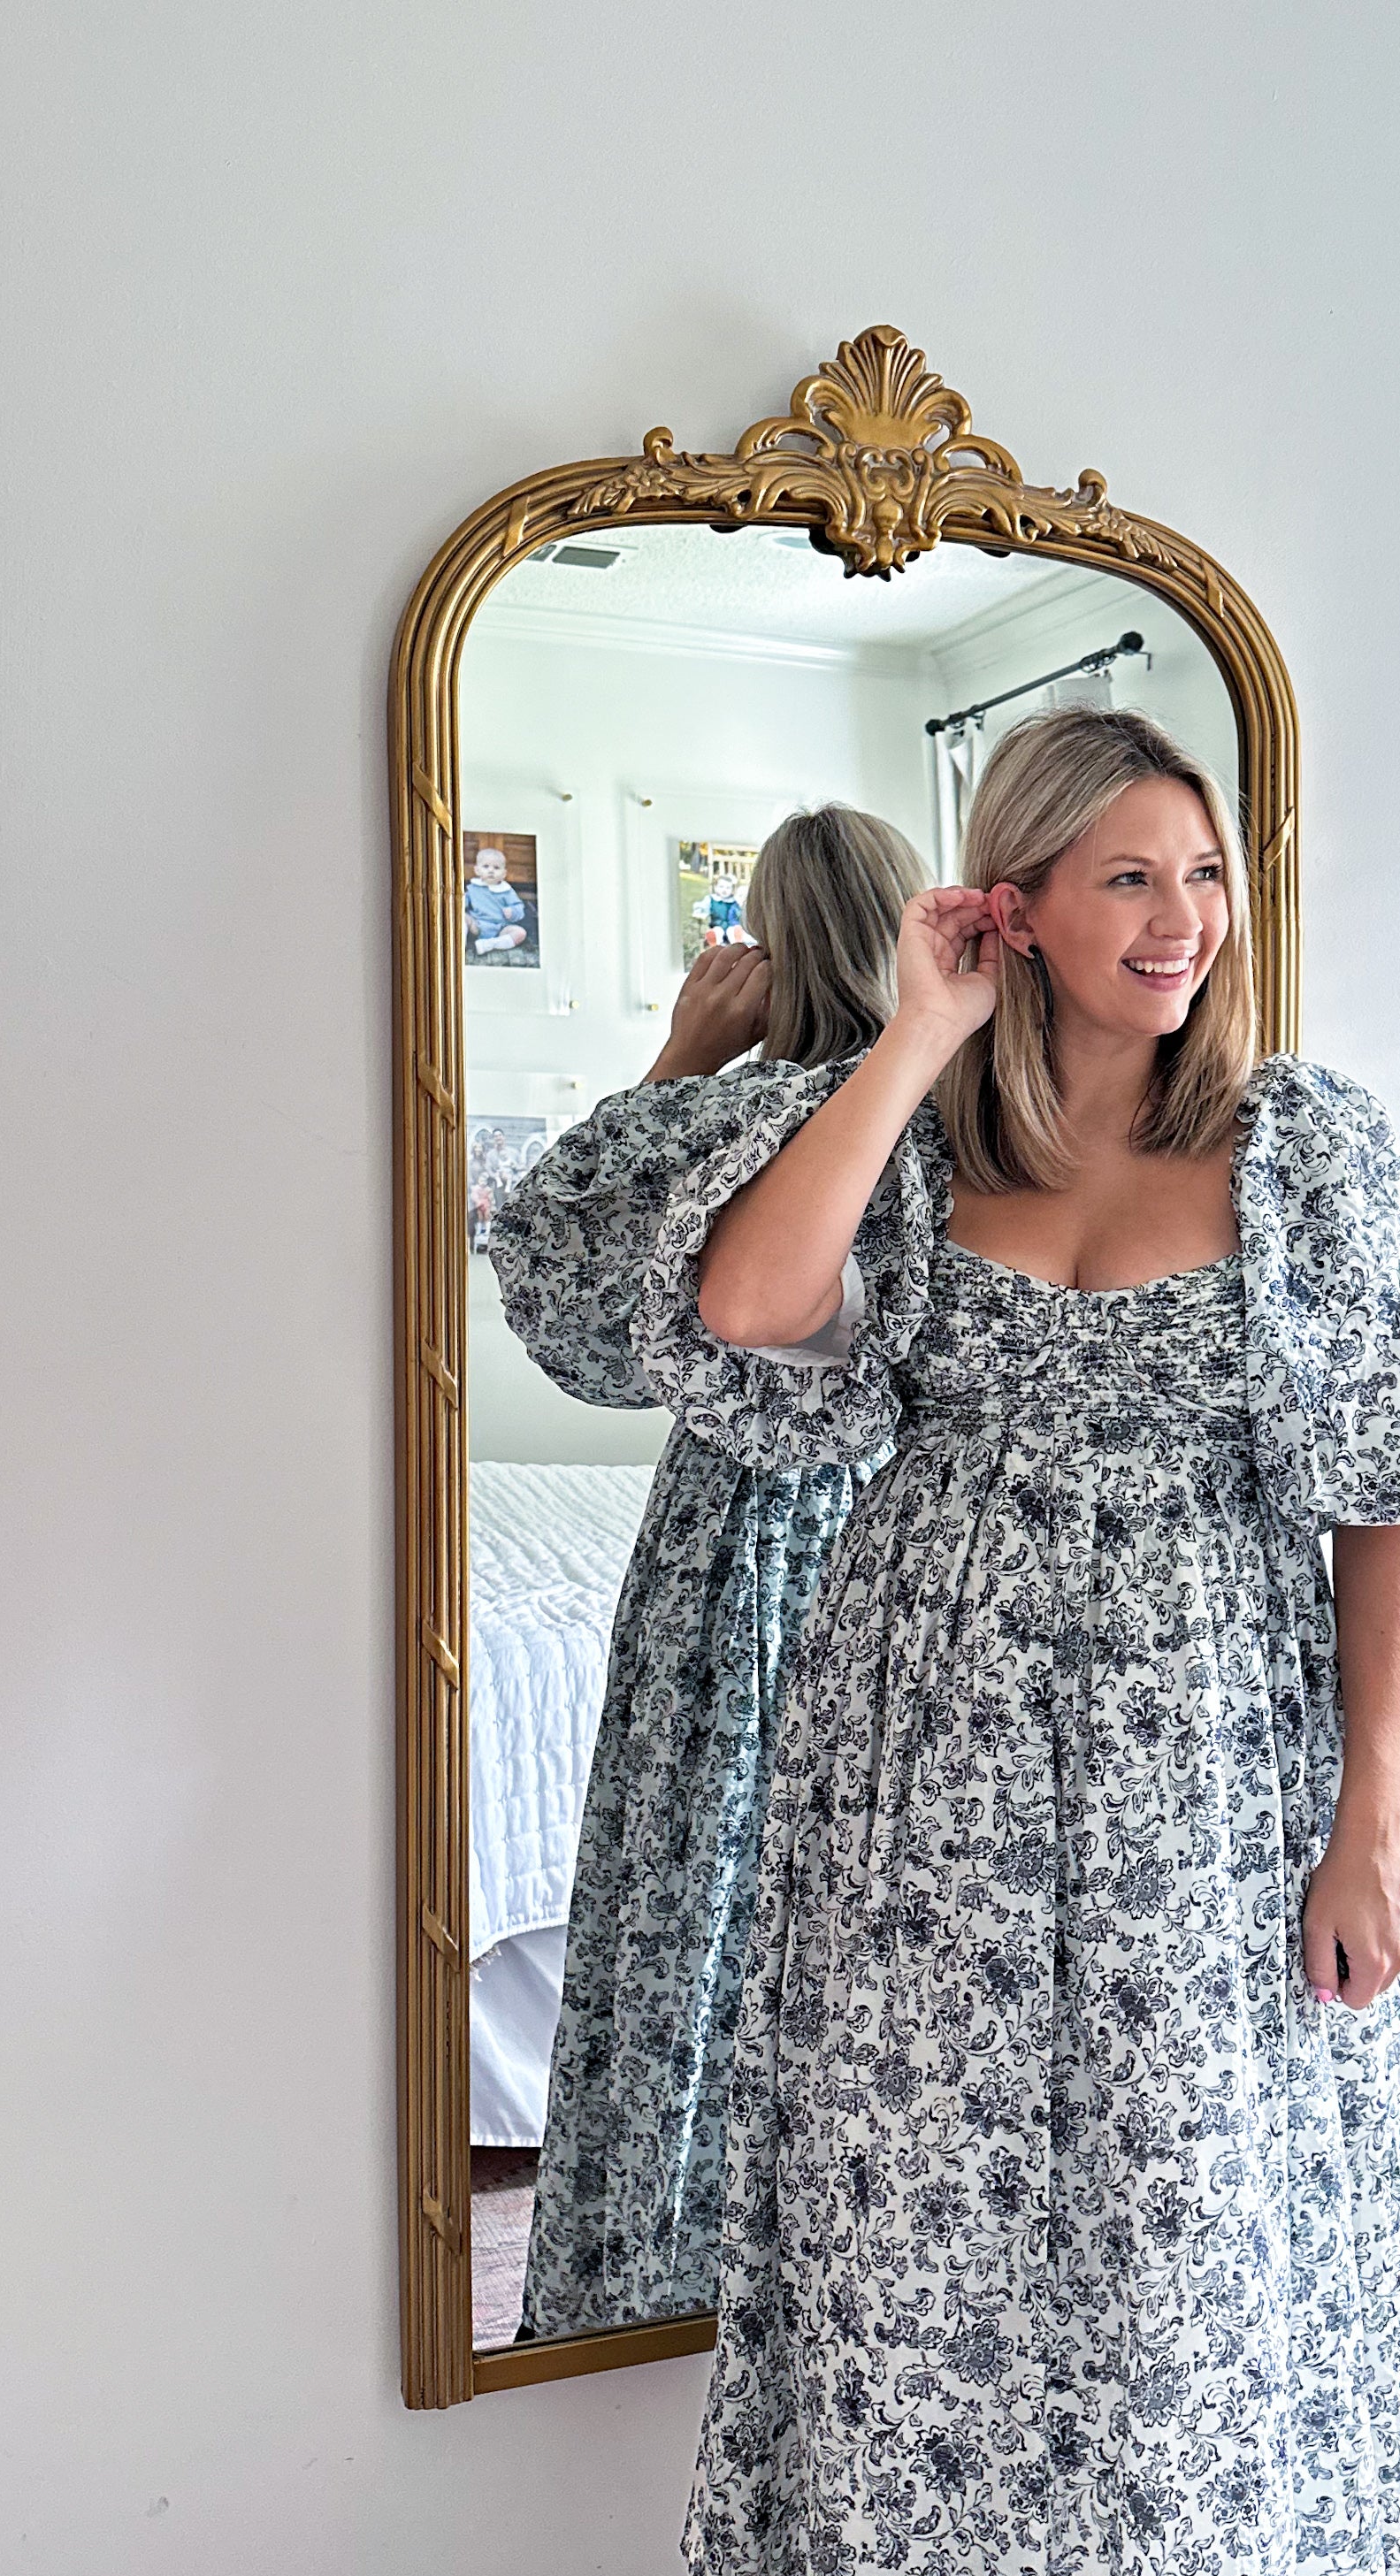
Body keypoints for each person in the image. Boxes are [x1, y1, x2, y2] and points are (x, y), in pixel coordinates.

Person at [628, 708, 1400, 2576]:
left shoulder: (1300, 1154)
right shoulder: (915, 1139)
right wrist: (910, 1036)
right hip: (913, 1829)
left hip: (1200, 1821)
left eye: (1203, 874)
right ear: (1018, 900)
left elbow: (1387, 1504)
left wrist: (1372, 1823)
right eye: (1128, 877)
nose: (1181, 922)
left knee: (1166, 2331)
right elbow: (745, 1311)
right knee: (916, 2323)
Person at [491, 803, 932, 2336]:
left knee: (697, 1901)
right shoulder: (959, 1117)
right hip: (909, 1540)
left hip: (738, 1543)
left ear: (771, 948)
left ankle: (657, 2281)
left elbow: (558, 1294)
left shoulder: (731, 1124)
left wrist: (685, 1050)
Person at [465, 845, 530, 959]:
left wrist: (513, 912)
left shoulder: (506, 891)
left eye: (496, 868)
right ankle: (460, 944)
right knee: (462, 917)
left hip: (501, 928)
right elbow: (463, 902)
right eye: (486, 866)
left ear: (504, 874)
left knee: (520, 933)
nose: (491, 871)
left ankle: (490, 944)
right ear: (477, 870)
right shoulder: (473, 888)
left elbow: (519, 907)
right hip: (478, 925)